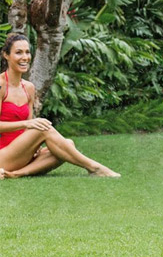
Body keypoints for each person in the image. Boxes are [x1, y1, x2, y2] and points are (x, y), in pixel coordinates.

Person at [0, 33, 120, 179]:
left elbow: (28, 127)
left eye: (27, 52)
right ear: (6, 55)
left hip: (23, 154)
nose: (25, 57)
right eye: (18, 52)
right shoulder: (1, 85)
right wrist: (27, 124)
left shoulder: (29, 88)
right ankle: (94, 167)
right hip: (4, 154)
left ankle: (15, 174)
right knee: (43, 129)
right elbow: (29, 124)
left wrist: (34, 145)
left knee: (67, 145)